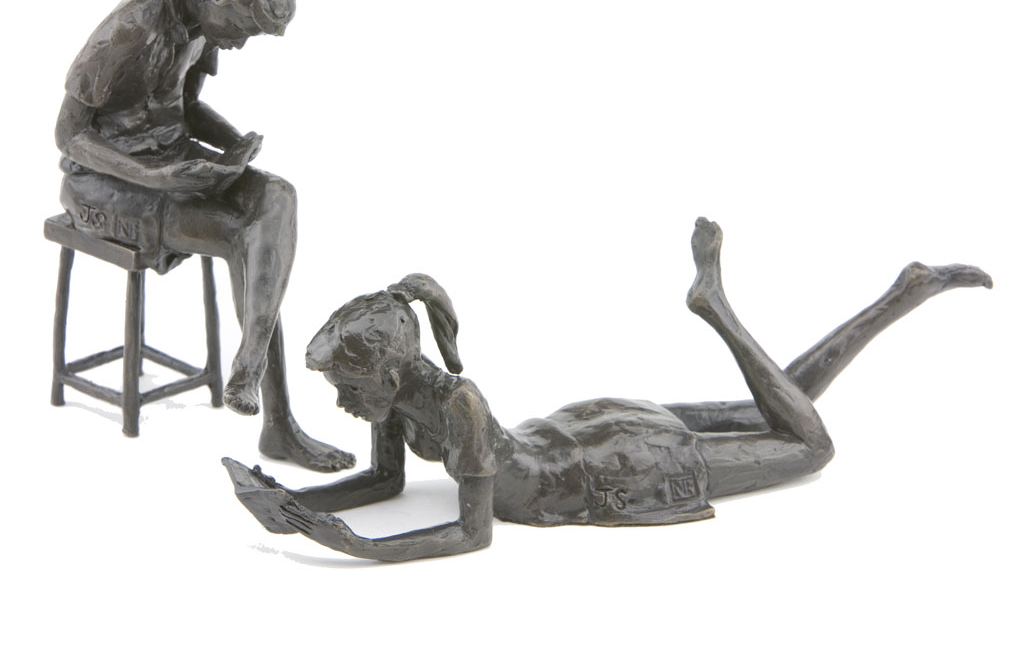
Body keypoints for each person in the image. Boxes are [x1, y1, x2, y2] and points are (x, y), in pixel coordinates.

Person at [223, 218, 991, 560]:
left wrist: (354, 545)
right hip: (588, 427)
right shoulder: (403, 396)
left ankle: (717, 309)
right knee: (773, 409)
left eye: (347, 389)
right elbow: (384, 482)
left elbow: (473, 534)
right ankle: (903, 294)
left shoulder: (458, 405)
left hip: (618, 469)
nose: (343, 405)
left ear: (389, 374)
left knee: (809, 444)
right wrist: (298, 506)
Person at [55, 0, 351, 471]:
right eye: (240, 28)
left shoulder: (202, 26)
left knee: (277, 198)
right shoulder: (131, 29)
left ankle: (251, 361)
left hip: (172, 165)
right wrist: (154, 175)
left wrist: (232, 144)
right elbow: (68, 136)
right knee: (245, 235)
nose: (239, 44)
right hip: (103, 183)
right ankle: (275, 418)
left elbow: (185, 108)